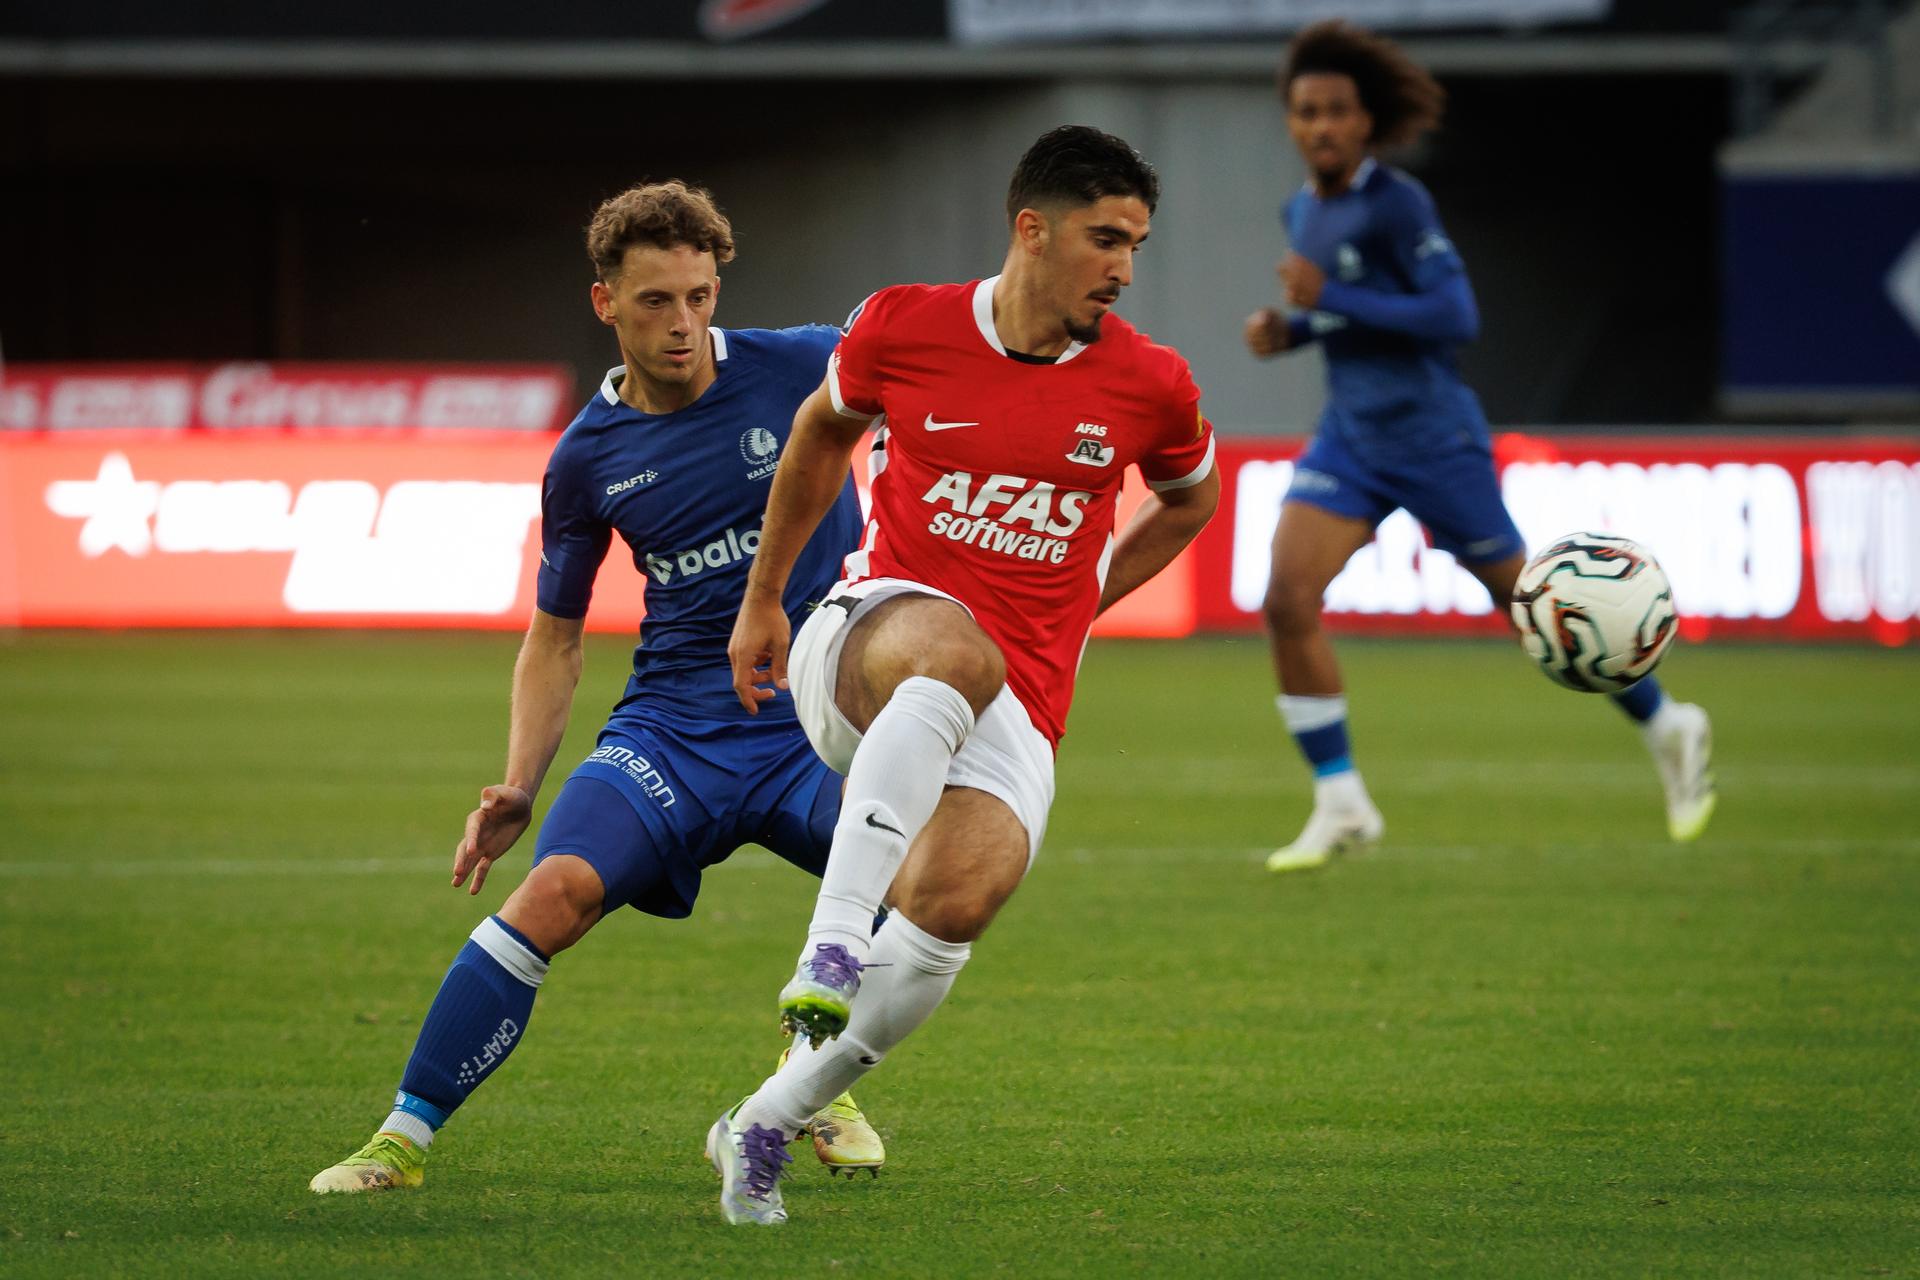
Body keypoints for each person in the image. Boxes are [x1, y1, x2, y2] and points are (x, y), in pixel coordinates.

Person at [309, 180, 887, 1193]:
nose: (685, 324)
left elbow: (935, 376)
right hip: (675, 729)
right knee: (555, 890)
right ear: (604, 303)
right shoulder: (586, 457)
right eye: (657, 300)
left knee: (920, 885)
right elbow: (557, 635)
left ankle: (808, 1078)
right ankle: (400, 1138)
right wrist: (519, 781)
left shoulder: (803, 366)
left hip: (816, 721)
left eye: (701, 297)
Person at [707, 125, 1221, 1226]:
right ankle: (834, 938)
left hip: (1019, 697)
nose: (1125, 266)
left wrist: (1092, 594)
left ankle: (768, 1115)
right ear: (1030, 229)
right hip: (867, 637)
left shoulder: (1149, 383)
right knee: (955, 648)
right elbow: (817, 436)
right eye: (1106, 238)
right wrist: (764, 596)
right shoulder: (904, 325)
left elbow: (1191, 497)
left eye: (1136, 243)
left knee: (959, 899)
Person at [1243, 20, 1716, 873]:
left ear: (1366, 119)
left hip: (1433, 437)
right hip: (1351, 435)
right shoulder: (1303, 207)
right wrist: (1298, 328)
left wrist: (1334, 296)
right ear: (1291, 121)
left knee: (1541, 615)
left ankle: (1668, 723)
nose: (1320, 126)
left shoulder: (1399, 203)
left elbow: (1454, 318)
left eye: (1336, 111)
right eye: (1305, 111)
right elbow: (1351, 314)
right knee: (1285, 597)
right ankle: (1341, 800)